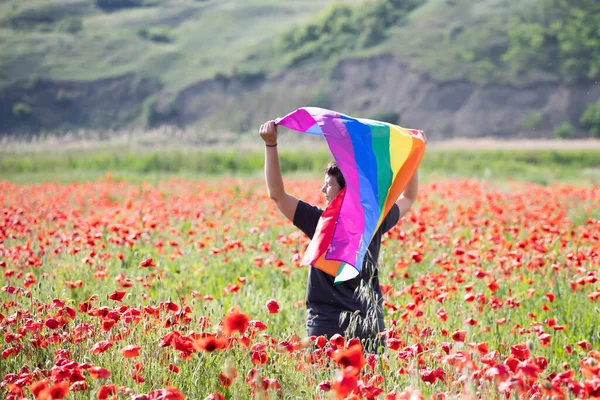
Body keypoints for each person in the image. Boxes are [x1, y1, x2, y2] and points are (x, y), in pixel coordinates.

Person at [259, 120, 423, 352]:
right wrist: (412, 153)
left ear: (344, 190)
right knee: (369, 387)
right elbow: (409, 197)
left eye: (328, 185)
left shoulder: (319, 222)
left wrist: (271, 145)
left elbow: (276, 194)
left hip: (325, 327)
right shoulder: (372, 221)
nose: (322, 190)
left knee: (329, 387)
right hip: (368, 326)